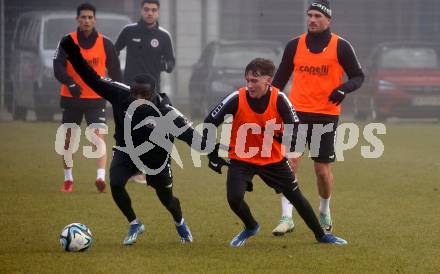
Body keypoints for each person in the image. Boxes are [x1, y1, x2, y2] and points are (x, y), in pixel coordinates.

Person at [60, 34, 212, 245]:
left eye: (144, 94)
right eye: (135, 93)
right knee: (116, 183)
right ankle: (134, 223)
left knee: (166, 199)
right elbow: (91, 77)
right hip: (127, 150)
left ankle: (180, 223)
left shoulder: (167, 113)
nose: (139, 98)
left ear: (153, 93)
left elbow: (194, 139)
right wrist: (73, 51)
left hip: (156, 157)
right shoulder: (120, 95)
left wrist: (219, 152)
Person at [204, 58, 347, 247]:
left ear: (268, 81)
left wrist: (289, 144)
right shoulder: (236, 98)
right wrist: (212, 153)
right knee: (234, 198)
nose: (249, 85)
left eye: (254, 81)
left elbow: (295, 125)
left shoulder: (279, 99)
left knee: (296, 197)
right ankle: (250, 226)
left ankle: (321, 235)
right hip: (242, 159)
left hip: (273, 159)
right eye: (247, 80)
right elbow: (209, 122)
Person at [271, 0, 364, 235]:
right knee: (290, 164)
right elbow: (279, 80)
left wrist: (344, 89)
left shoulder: (341, 46)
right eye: (310, 15)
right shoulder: (294, 45)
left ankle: (324, 209)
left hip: (326, 116)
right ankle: (286, 216)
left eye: (318, 16)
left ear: (328, 20)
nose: (312, 20)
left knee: (322, 171)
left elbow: (358, 76)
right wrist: (268, 104)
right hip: (296, 113)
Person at [54, 3, 122, 193]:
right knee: (68, 141)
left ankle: (100, 178)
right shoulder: (67, 41)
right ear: (77, 19)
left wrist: (118, 94)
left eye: (90, 17)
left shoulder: (105, 43)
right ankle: (68, 179)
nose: (86, 20)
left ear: (94, 20)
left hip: (95, 99)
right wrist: (70, 82)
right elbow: (57, 66)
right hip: (71, 98)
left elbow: (116, 71)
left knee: (98, 138)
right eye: (83, 17)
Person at [115, 0, 175, 88]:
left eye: (153, 10)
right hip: (130, 87)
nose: (150, 13)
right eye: (146, 10)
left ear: (158, 13)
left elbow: (171, 63)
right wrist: (115, 70)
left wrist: (163, 65)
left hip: (152, 89)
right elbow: (114, 51)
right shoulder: (129, 31)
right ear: (141, 11)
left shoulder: (164, 36)